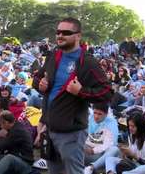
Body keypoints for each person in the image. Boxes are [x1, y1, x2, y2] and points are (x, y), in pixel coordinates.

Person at [32, 17, 113, 174]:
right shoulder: (53, 55)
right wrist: (40, 84)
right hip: (50, 128)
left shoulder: (87, 62)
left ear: (78, 36)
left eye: (66, 32)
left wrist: (81, 91)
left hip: (72, 133)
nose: (60, 35)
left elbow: (107, 92)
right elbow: (37, 78)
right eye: (58, 32)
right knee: (53, 171)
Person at [84, 103, 119, 174]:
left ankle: (91, 168)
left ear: (106, 114)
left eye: (100, 114)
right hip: (86, 151)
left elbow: (109, 144)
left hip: (100, 156)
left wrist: (93, 150)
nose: (96, 116)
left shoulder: (110, 123)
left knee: (115, 149)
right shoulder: (90, 118)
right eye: (95, 113)